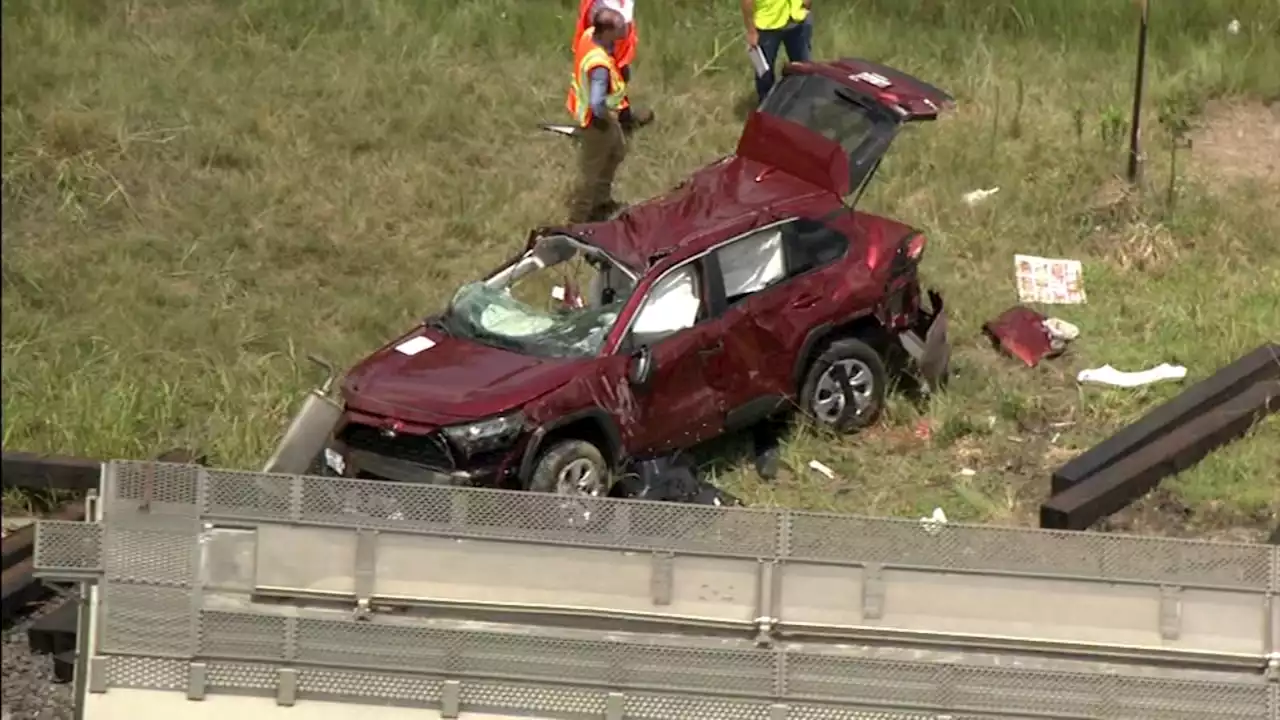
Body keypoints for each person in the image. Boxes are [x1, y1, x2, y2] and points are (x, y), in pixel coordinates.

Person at [566, 7, 630, 223]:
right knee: (590, 173)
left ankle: (601, 202)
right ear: (607, 31)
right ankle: (578, 222)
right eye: (621, 27)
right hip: (597, 122)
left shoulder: (589, 36)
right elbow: (596, 102)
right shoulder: (599, 66)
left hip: (603, 118)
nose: (626, 29)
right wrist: (603, 120)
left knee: (616, 152)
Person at [572, 0, 654, 133]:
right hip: (608, 50)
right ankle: (600, 126)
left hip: (616, 50)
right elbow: (603, 23)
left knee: (617, 85)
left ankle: (623, 119)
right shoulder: (601, 11)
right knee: (603, 88)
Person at [740, 0, 813, 103]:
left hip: (798, 18)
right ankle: (767, 109)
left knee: (803, 68)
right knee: (765, 74)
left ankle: (802, 106)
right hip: (767, 24)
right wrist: (751, 30)